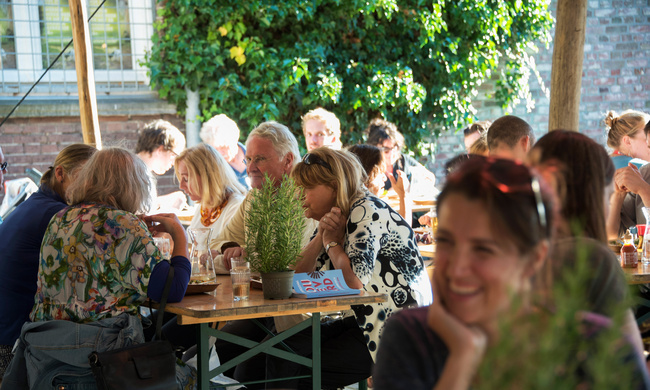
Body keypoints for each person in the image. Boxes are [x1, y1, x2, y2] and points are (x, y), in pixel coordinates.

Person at [372, 156, 649, 390]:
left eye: (483, 250)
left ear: (534, 259)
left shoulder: (597, 348)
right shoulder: (412, 337)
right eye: (446, 242)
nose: (456, 267)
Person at [221, 147, 432, 389]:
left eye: (306, 189)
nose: (299, 196)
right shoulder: (336, 215)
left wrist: (331, 242)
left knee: (293, 369)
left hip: (395, 331)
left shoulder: (366, 209)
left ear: (334, 185)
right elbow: (296, 276)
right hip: (362, 321)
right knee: (262, 359)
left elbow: (353, 281)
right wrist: (322, 234)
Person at [2, 147, 194, 389]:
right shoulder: (123, 224)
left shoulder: (61, 219)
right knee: (195, 378)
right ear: (133, 185)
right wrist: (179, 235)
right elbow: (172, 289)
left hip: (47, 359)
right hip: (103, 364)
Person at [528, 130, 643, 353]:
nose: (609, 206)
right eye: (608, 195)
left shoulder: (521, 251)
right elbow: (631, 367)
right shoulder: (590, 258)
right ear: (590, 196)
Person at [0, 144, 96, 380]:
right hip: (14, 348)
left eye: (96, 178)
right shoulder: (58, 215)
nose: (91, 186)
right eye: (85, 176)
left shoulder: (37, 203)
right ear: (61, 174)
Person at [210, 121, 317, 265]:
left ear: (287, 160)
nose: (250, 168)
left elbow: (279, 265)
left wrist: (227, 261)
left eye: (260, 159)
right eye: (248, 159)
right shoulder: (254, 197)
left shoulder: (306, 197)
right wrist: (231, 248)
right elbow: (217, 242)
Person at [174, 144, 246, 272]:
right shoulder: (203, 207)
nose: (181, 185)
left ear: (207, 177)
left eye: (186, 178)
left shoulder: (235, 206)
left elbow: (229, 260)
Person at [365, 118, 436, 197]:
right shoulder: (370, 167)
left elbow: (430, 177)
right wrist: (393, 192)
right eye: (386, 150)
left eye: (395, 148)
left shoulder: (403, 160)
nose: (391, 154)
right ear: (375, 148)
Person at [347, 144, 411, 224]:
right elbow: (405, 233)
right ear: (366, 176)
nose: (385, 178)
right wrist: (404, 195)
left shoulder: (349, 205)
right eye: (380, 172)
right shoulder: (368, 210)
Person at [607, 119, 650, 239]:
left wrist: (644, 190)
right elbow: (611, 236)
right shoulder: (644, 173)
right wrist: (618, 196)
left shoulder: (641, 182)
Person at [135, 119, 188, 212]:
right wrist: (167, 201)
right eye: (174, 155)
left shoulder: (141, 170)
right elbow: (137, 212)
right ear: (160, 150)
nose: (173, 163)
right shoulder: (133, 171)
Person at [200, 114, 250, 189]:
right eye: (215, 150)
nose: (220, 153)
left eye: (224, 147)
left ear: (235, 139)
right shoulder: (214, 171)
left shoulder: (256, 155)